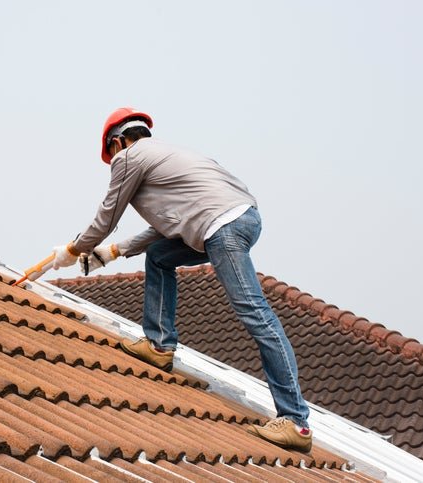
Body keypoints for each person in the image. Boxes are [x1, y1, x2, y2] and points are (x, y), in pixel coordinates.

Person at [49, 107, 313, 452]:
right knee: (160, 256)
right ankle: (159, 345)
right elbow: (163, 227)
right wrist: (111, 253)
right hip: (241, 220)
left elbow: (107, 216)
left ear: (118, 142)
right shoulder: (171, 156)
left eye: (112, 152)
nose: (113, 160)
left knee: (255, 313)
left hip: (221, 228)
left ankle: (295, 421)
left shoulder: (129, 158)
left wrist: (74, 248)